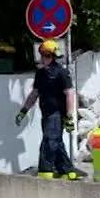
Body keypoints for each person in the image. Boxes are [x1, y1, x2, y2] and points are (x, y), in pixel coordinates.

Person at [15, 39, 79, 179]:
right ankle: (67, 171)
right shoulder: (41, 73)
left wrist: (68, 116)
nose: (44, 58)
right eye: (42, 55)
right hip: (46, 113)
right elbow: (35, 93)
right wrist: (24, 110)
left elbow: (69, 94)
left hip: (57, 113)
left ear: (53, 56)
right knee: (56, 142)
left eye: (47, 55)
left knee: (49, 141)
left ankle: (45, 170)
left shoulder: (62, 73)